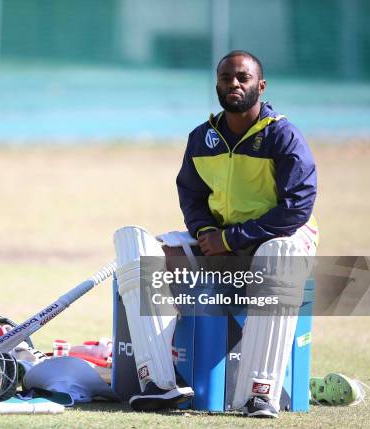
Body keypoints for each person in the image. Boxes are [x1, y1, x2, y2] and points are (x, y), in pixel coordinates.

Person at [113, 50, 318, 417]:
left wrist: (232, 239)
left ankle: (258, 395)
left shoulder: (283, 136)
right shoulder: (202, 137)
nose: (234, 84)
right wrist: (207, 232)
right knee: (133, 243)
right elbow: (191, 197)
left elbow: (297, 206)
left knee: (280, 256)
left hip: (278, 241)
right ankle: (159, 384)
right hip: (222, 243)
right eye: (226, 78)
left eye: (242, 77)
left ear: (261, 85)